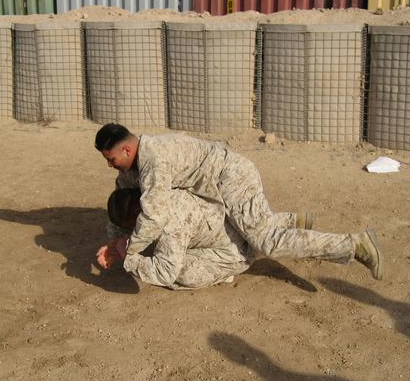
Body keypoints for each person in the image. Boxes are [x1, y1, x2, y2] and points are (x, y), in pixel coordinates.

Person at [95, 123, 384, 280]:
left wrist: (127, 249)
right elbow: (121, 199)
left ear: (127, 149)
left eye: (111, 159)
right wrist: (113, 240)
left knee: (267, 242)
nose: (110, 165)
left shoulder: (154, 160)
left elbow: (153, 215)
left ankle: (354, 245)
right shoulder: (131, 166)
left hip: (231, 178)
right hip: (215, 186)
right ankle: (288, 221)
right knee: (250, 230)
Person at [98, 187, 255, 289]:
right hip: (215, 235)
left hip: (235, 253)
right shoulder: (155, 193)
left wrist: (128, 258)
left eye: (132, 226)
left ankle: (223, 272)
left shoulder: (170, 223)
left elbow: (166, 273)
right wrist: (114, 244)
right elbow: (118, 224)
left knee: (182, 272)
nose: (132, 231)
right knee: (159, 249)